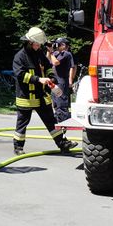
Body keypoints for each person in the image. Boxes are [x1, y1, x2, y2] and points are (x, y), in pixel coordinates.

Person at [12, 27, 76, 155]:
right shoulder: (20, 57)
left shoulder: (39, 53)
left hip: (41, 95)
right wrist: (38, 80)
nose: (38, 46)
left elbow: (48, 67)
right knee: (22, 124)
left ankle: (63, 144)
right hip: (26, 97)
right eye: (37, 44)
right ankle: (18, 147)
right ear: (30, 42)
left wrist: (51, 77)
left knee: (51, 120)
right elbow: (20, 75)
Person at [48, 37, 75, 123]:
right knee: (55, 102)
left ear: (63, 45)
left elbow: (56, 62)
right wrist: (49, 50)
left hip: (61, 82)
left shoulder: (66, 54)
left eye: (57, 44)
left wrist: (71, 80)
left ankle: (63, 121)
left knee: (61, 102)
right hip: (55, 81)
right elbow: (48, 59)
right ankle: (57, 119)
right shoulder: (56, 53)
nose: (56, 46)